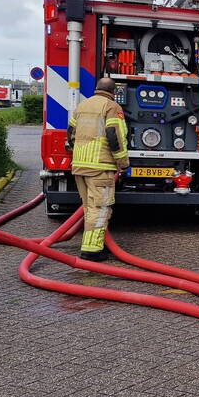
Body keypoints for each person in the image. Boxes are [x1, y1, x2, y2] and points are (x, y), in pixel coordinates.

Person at [66, 77, 128, 260]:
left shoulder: (82, 106)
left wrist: (78, 154)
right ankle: (91, 250)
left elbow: (70, 134)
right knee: (100, 209)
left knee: (89, 208)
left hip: (79, 166)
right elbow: (114, 135)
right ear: (113, 92)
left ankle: (96, 243)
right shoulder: (112, 107)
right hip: (100, 166)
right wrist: (122, 162)